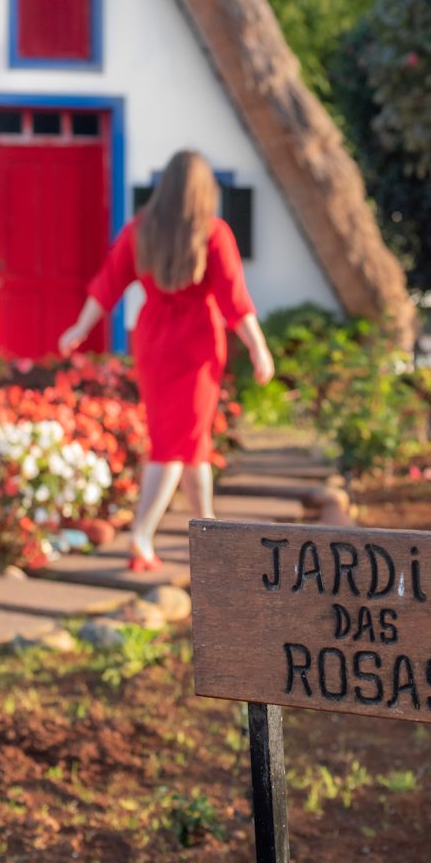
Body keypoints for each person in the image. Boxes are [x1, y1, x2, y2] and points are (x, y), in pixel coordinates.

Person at [58, 150, 274, 571]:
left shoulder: (142, 230)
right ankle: (143, 531)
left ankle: (208, 528)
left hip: (155, 339)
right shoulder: (213, 233)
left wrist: (80, 328)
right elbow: (235, 301)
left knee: (191, 442)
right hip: (197, 343)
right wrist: (258, 346)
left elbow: (107, 284)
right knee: (177, 444)